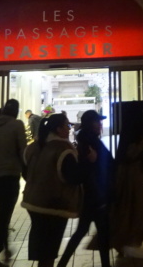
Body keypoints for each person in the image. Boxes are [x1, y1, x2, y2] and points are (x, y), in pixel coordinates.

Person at [21, 113, 92, 267]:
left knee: (43, 249)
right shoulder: (63, 149)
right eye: (67, 125)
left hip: (33, 202)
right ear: (59, 129)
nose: (69, 128)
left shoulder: (34, 147)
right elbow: (73, 177)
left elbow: (26, 173)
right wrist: (88, 161)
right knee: (49, 250)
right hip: (54, 205)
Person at [58, 110, 115, 267]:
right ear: (90, 124)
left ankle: (62, 263)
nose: (100, 124)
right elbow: (95, 167)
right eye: (96, 121)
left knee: (86, 232)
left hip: (93, 195)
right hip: (96, 196)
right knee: (99, 234)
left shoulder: (88, 140)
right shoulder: (89, 143)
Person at [0, 98, 27, 267]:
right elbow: (23, 150)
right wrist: (24, 168)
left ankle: (6, 248)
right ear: (16, 111)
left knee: (3, 213)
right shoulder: (17, 125)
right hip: (11, 174)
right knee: (4, 216)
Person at [110, 120, 143, 258]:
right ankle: (129, 244)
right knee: (138, 209)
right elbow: (131, 154)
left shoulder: (129, 140)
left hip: (135, 177)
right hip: (132, 179)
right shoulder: (131, 143)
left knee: (135, 210)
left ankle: (128, 244)